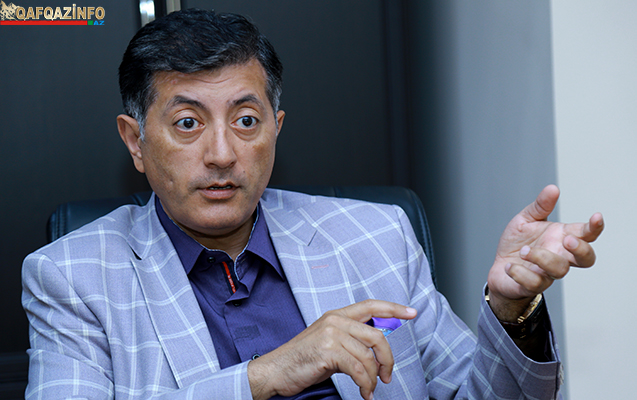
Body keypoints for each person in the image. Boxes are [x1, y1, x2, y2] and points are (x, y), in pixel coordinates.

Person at [21, 9, 604, 400]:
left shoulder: (376, 235)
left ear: (276, 129)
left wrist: (511, 311)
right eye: (188, 123)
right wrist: (266, 375)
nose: (221, 154)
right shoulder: (73, 276)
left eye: (245, 121)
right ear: (135, 141)